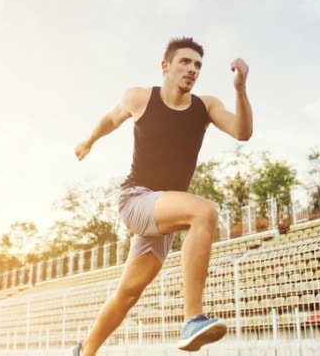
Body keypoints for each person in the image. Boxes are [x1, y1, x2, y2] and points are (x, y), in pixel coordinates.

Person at [72, 37, 253, 355]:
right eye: (185, 62)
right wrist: (88, 141)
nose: (192, 69)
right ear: (165, 66)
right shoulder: (140, 97)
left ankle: (84, 351)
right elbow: (110, 119)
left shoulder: (205, 106)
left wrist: (239, 88)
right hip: (136, 199)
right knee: (204, 211)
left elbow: (242, 132)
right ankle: (192, 319)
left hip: (165, 210)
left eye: (198, 65)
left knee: (128, 293)